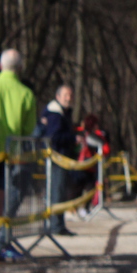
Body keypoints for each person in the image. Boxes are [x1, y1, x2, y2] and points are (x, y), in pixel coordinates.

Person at [0, 49, 36, 257]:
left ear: (0, 66)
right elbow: (28, 130)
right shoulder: (26, 94)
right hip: (8, 153)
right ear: (20, 68)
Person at [38, 84, 77, 236]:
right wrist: (73, 138)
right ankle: (56, 226)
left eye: (71, 95)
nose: (69, 98)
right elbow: (53, 137)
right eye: (66, 95)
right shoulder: (55, 114)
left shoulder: (63, 113)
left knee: (60, 191)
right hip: (56, 159)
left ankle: (58, 224)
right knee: (57, 192)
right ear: (58, 97)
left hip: (62, 158)